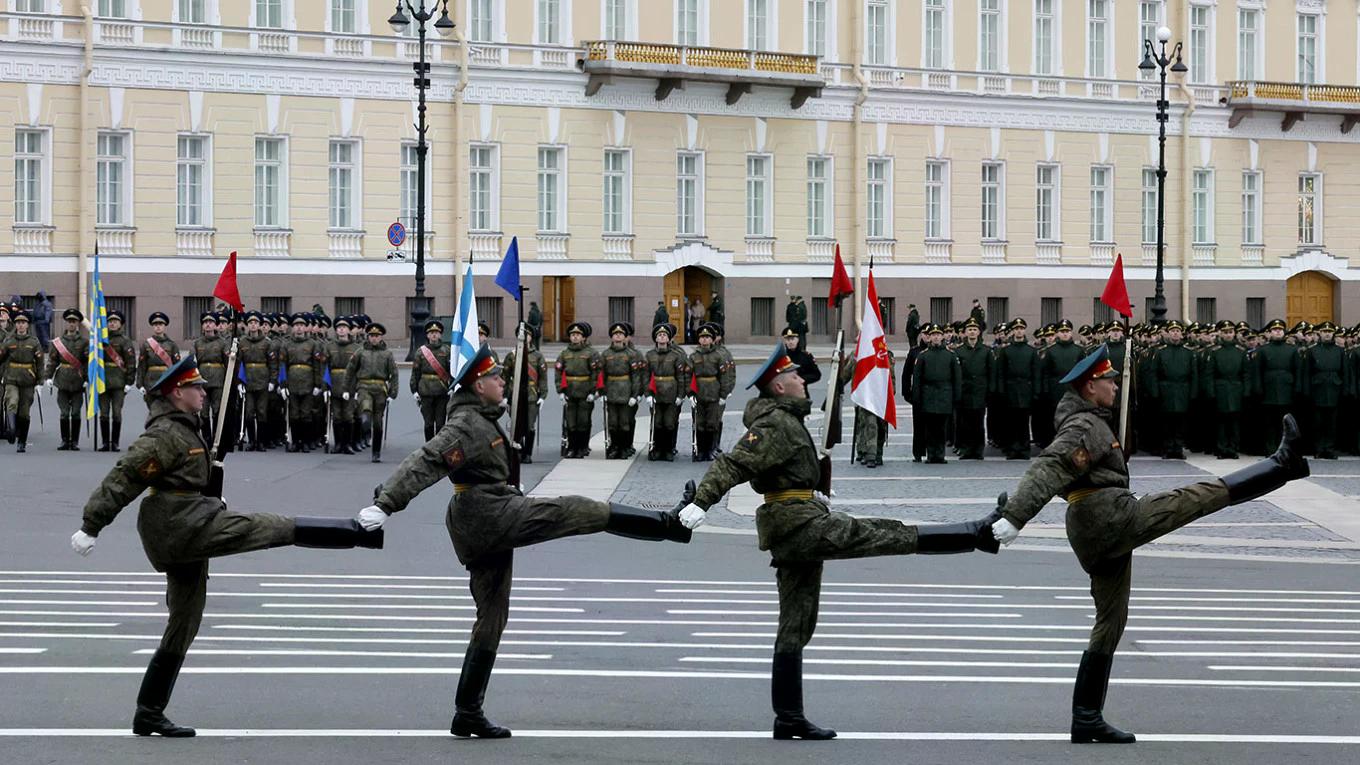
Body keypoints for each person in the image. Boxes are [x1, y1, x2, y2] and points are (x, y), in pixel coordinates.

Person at [353, 345, 691, 739]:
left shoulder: (482, 416)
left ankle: (467, 712)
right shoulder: (465, 423)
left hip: (486, 513)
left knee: (492, 617)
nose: (502, 381)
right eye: (496, 377)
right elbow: (425, 461)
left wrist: (506, 481)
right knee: (579, 510)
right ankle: (670, 524)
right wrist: (385, 505)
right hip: (488, 517)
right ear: (479, 385)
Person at [675, 343, 1000, 740]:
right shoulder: (775, 423)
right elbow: (733, 463)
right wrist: (702, 503)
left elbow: (783, 470)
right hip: (800, 528)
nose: (802, 380)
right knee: (884, 533)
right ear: (778, 387)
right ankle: (974, 534)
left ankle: (788, 717)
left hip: (798, 520)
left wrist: (810, 491)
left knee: (796, 624)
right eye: (794, 376)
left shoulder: (785, 419)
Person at [989, 344, 1310, 743]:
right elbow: (1050, 466)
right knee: (1196, 497)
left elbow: (1065, 476)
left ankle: (1086, 717)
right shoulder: (1084, 425)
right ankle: (1283, 464)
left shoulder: (1086, 420)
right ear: (1091, 386)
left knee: (1110, 621)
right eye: (1109, 380)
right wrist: (1016, 516)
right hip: (1109, 519)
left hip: (1094, 525)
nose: (1115, 385)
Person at [70, 355, 383, 738]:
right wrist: (92, 525)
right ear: (177, 392)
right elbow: (125, 477)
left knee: (185, 620)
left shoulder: (186, 427)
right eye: (196, 387)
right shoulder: (164, 435)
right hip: (180, 524)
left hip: (189, 518)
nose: (203, 392)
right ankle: (357, 532)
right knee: (268, 527)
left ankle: (148, 712)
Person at [345, 322, 399, 463]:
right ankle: (365, 422)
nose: (374, 338)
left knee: (378, 424)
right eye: (372, 336)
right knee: (366, 407)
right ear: (368, 337)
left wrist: (393, 394)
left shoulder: (387, 354)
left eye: (377, 336)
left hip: (380, 389)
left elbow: (394, 374)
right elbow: (350, 371)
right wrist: (347, 389)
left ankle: (376, 452)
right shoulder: (360, 352)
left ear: (381, 337)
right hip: (364, 386)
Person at [911, 323, 959, 464]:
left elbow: (956, 378)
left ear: (942, 336)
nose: (936, 337)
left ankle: (940, 454)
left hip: (944, 394)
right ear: (930, 338)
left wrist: (956, 396)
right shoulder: (923, 356)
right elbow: (917, 378)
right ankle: (931, 454)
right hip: (929, 395)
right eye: (933, 335)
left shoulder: (950, 355)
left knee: (941, 427)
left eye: (938, 334)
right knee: (930, 427)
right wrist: (916, 396)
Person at [994, 318, 1040, 460]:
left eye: (1021, 328)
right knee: (1011, 421)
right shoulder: (1006, 351)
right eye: (1016, 328)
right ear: (1013, 331)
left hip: (1026, 388)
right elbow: (1001, 373)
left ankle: (1024, 449)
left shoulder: (1031, 351)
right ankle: (1013, 449)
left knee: (1024, 421)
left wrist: (1036, 391)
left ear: (1024, 330)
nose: (1019, 331)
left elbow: (1036, 373)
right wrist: (1001, 390)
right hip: (1011, 388)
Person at [1150, 320, 1196, 459]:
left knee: (1181, 421)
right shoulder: (1161, 352)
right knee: (1167, 421)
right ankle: (1168, 448)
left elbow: (1194, 374)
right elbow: (1154, 373)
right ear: (1168, 334)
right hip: (1166, 390)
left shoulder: (1188, 353)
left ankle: (1178, 448)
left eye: (1178, 331)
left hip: (1182, 389)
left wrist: (1193, 392)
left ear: (1182, 334)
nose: (1175, 333)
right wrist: (1155, 391)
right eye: (1172, 331)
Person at [1203, 320, 1249, 459]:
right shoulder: (1215, 351)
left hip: (1236, 388)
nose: (1228, 335)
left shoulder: (1241, 351)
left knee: (1234, 421)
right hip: (1221, 388)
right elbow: (1209, 374)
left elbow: (1246, 373)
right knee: (1221, 421)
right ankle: (1222, 449)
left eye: (1230, 332)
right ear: (1220, 334)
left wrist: (1246, 390)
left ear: (1234, 333)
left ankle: (1233, 448)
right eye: (1225, 332)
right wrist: (1211, 391)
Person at [555, 321, 601, 458]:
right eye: (572, 334)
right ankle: (572, 447)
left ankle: (582, 447)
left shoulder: (591, 353)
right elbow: (558, 373)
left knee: (583, 421)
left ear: (584, 337)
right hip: (570, 391)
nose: (575, 337)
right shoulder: (565, 354)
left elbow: (596, 373)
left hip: (585, 391)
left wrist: (594, 392)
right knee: (571, 423)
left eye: (577, 335)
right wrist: (560, 391)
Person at [280, 313, 325, 453]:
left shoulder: (313, 344)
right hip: (292, 383)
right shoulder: (286, 344)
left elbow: (318, 366)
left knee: (306, 414)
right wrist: (283, 384)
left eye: (301, 326)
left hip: (308, 383)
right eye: (296, 326)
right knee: (294, 414)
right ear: (292, 328)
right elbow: (283, 365)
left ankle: (306, 442)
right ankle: (296, 441)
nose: (299, 328)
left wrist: (318, 385)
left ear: (306, 328)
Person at [600, 322, 646, 459]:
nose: (618, 336)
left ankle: (625, 447)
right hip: (611, 390)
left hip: (626, 391)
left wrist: (635, 394)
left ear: (625, 337)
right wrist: (601, 392)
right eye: (615, 334)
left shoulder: (631, 354)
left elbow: (636, 376)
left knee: (625, 422)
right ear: (611, 337)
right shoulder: (606, 354)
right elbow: (601, 375)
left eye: (620, 334)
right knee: (613, 422)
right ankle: (614, 446)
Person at [1301, 320, 1345, 459]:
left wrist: (1345, 389)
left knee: (1332, 421)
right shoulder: (1312, 350)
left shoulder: (1340, 351)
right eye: (1325, 332)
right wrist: (1307, 390)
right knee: (1318, 421)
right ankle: (1319, 448)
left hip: (1334, 387)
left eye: (1330, 332)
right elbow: (1307, 372)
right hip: (1318, 388)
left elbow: (1345, 372)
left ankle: (1330, 448)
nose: (1327, 334)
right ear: (1319, 333)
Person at [688, 324, 732, 461]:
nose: (705, 340)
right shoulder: (693, 356)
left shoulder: (718, 356)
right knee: (699, 424)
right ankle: (701, 451)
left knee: (711, 423)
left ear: (712, 339)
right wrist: (689, 394)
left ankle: (711, 450)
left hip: (713, 394)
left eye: (707, 337)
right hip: (699, 393)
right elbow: (688, 376)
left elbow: (724, 376)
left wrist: (723, 395)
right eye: (702, 337)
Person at [645, 323, 689, 461]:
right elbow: (646, 376)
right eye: (659, 335)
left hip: (671, 392)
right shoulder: (649, 355)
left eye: (664, 335)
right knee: (657, 422)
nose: (662, 337)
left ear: (669, 339)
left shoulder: (676, 355)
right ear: (656, 339)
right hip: (656, 392)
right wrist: (648, 394)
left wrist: (681, 395)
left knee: (669, 423)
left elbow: (681, 377)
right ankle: (657, 449)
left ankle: (668, 450)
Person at [47, 307, 89, 451]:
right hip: (63, 380)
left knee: (76, 412)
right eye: (70, 321)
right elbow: (53, 361)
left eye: (74, 321)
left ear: (78, 324)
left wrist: (87, 379)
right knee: (64, 412)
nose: (72, 324)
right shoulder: (58, 342)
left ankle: (74, 441)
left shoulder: (84, 342)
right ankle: (65, 440)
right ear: (66, 323)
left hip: (78, 380)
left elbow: (87, 362)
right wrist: (48, 377)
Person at [502, 329, 548, 463]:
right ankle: (518, 450)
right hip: (515, 394)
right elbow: (505, 377)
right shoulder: (512, 355)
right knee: (517, 424)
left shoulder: (537, 356)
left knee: (529, 425)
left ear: (531, 337)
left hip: (531, 394)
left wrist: (543, 395)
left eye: (527, 335)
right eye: (521, 335)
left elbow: (542, 378)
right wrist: (505, 396)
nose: (524, 337)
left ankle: (528, 453)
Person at [1, 311, 44, 451]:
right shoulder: (9, 341)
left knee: (24, 412)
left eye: (23, 323)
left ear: (27, 325)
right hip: (11, 377)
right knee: (11, 402)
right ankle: (12, 430)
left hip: (28, 379)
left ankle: (22, 442)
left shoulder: (33, 342)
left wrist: (40, 382)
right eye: (18, 323)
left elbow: (40, 362)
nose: (20, 325)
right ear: (16, 325)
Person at [236, 311, 278, 452]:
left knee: (262, 412)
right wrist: (239, 382)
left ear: (259, 325)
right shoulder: (242, 342)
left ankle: (261, 441)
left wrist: (273, 380)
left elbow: (272, 363)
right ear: (247, 325)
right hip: (248, 381)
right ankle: (252, 441)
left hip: (263, 381)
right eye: (250, 323)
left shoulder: (267, 343)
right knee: (248, 413)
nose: (253, 325)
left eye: (255, 323)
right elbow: (238, 364)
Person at [99, 309, 138, 452]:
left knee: (116, 413)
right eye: (110, 321)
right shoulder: (101, 339)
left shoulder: (125, 341)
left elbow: (130, 363)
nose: (112, 324)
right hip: (102, 381)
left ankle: (114, 442)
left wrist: (129, 382)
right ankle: (104, 442)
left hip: (119, 382)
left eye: (115, 321)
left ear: (120, 324)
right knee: (103, 413)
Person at [954, 316, 992, 460]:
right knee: (964, 423)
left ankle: (978, 450)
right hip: (965, 392)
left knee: (978, 423)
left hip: (980, 392)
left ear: (979, 333)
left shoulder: (986, 351)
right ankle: (966, 449)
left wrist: (989, 392)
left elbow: (990, 372)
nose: (972, 332)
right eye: (969, 329)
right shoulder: (959, 351)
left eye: (974, 329)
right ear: (965, 332)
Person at [412, 319, 453, 443]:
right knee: (428, 423)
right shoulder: (421, 352)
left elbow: (451, 371)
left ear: (440, 334)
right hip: (426, 390)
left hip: (442, 391)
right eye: (431, 333)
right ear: (427, 335)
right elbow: (416, 372)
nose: (434, 335)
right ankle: (429, 446)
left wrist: (452, 386)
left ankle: (439, 447)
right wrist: (414, 390)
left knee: (441, 423)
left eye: (436, 332)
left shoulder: (446, 350)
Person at [192, 312, 229, 446]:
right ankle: (206, 439)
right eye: (205, 322)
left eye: (211, 322)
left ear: (216, 325)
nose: (208, 324)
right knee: (203, 412)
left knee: (217, 411)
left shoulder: (222, 343)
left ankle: (216, 438)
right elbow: (192, 362)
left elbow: (228, 363)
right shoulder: (197, 343)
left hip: (218, 380)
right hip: (202, 382)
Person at [327, 317, 361, 454]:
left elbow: (359, 369)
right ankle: (338, 444)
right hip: (334, 383)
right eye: (339, 327)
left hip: (350, 384)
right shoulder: (329, 346)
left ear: (349, 330)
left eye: (344, 327)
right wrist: (325, 387)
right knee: (336, 416)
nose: (341, 329)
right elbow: (325, 368)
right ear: (336, 330)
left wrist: (358, 387)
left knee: (348, 416)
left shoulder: (356, 348)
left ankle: (347, 444)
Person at [136, 313, 181, 397]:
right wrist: (140, 384)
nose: (158, 326)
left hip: (166, 380)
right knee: (152, 408)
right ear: (153, 327)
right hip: (150, 381)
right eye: (155, 324)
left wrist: (177, 382)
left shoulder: (172, 345)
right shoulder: (146, 345)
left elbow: (177, 365)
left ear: (164, 326)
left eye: (160, 324)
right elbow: (142, 366)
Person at [781, 326, 820, 397]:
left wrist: (801, 379)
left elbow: (816, 375)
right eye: (788, 339)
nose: (790, 342)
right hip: (785, 395)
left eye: (792, 339)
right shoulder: (781, 357)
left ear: (798, 340)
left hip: (801, 394)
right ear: (785, 341)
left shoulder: (806, 356)